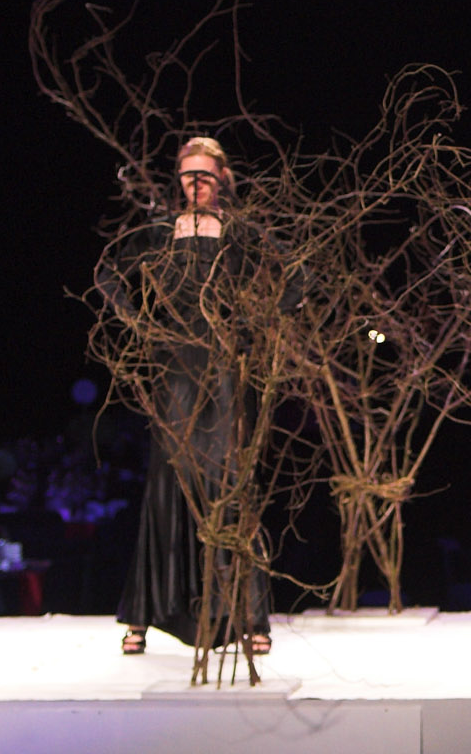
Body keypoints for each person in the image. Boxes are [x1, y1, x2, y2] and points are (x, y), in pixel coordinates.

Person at [97, 137, 300, 656]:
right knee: (171, 478)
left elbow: (297, 275)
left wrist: (255, 326)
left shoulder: (239, 233)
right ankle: (144, 616)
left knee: (228, 479)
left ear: (222, 179)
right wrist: (139, 322)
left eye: (205, 175)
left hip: (226, 363)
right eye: (188, 175)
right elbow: (107, 272)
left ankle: (250, 616)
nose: (195, 184)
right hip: (174, 364)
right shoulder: (160, 231)